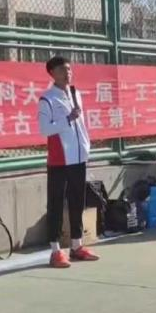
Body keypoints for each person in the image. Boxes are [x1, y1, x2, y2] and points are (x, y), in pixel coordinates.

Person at [38, 56, 99, 267]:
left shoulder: (75, 94)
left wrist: (86, 146)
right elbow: (45, 129)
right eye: (62, 70)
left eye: (69, 69)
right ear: (52, 73)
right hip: (59, 159)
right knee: (56, 204)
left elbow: (81, 124)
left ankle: (77, 245)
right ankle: (56, 250)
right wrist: (67, 119)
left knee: (77, 202)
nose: (67, 73)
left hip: (78, 158)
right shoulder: (47, 99)